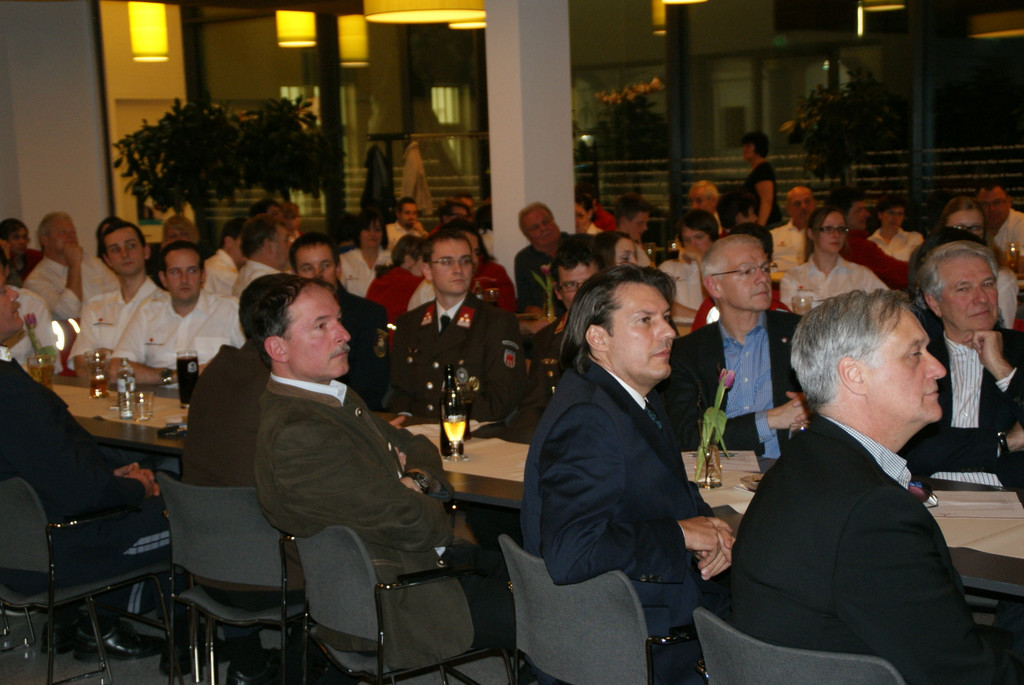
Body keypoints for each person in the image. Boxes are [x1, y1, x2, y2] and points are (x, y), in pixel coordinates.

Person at [730, 289, 1024, 685]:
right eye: (915, 353)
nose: (938, 368)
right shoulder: (873, 510)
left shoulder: (804, 460)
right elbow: (961, 672)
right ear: (854, 375)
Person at [250, 275, 515, 669]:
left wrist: (413, 480)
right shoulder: (300, 432)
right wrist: (415, 489)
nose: (344, 334)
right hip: (399, 598)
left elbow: (417, 444)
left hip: (417, 565)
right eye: (321, 325)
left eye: (338, 320)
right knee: (558, 612)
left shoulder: (327, 395)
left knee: (540, 575)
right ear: (278, 348)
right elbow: (421, 526)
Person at [521, 265, 732, 685]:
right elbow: (570, 552)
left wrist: (712, 529)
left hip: (645, 601)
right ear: (598, 338)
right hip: (627, 633)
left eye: (666, 318)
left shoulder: (631, 395)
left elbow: (666, 486)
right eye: (645, 321)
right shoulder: (589, 417)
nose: (668, 331)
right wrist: (681, 534)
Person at [0, 255, 167, 662]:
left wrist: (110, 473)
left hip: (16, 546)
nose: (14, 296)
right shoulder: (12, 393)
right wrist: (134, 487)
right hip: (58, 549)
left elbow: (44, 466)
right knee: (184, 514)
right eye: (2, 290)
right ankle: (104, 628)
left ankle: (77, 622)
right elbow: (80, 493)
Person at [181, 272, 301, 685]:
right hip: (272, 575)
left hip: (204, 565)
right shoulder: (286, 383)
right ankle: (310, 662)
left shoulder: (216, 369)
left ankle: (249, 663)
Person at [663, 234, 807, 463]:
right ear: (714, 286)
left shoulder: (801, 335)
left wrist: (815, 409)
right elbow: (688, 438)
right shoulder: (687, 353)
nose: (762, 278)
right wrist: (771, 419)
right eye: (747, 271)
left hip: (786, 472)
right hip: (717, 476)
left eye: (765, 268)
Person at [902, 241, 1024, 487]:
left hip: (1012, 497)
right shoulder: (915, 360)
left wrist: (1003, 370)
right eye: (963, 288)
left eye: (987, 284)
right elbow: (913, 450)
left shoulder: (1020, 350)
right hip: (931, 494)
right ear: (934, 303)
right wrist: (1005, 442)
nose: (981, 299)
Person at [389, 228, 527, 423]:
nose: (458, 269)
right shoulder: (409, 323)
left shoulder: (496, 323)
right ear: (427, 270)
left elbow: (500, 402)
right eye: (446, 262)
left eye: (465, 261)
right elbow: (399, 392)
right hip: (417, 429)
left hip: (472, 430)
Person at [500, 234, 602, 444]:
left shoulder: (627, 332)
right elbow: (533, 406)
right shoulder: (547, 339)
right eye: (571, 285)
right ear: (558, 291)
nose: (581, 293)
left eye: (588, 283)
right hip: (564, 440)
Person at [110, 241, 244, 385]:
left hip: (213, 397)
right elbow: (115, 370)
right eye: (175, 272)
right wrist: (178, 375)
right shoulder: (148, 313)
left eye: (192, 271)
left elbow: (254, 363)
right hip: (160, 397)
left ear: (203, 275)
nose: (184, 279)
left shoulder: (230, 310)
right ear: (163, 279)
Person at [290, 232, 390, 411]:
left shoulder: (369, 314)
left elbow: (373, 383)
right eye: (307, 268)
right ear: (294, 274)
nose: (317, 274)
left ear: (338, 268)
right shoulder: (287, 320)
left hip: (355, 412)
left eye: (325, 265)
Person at [69, 220, 159, 374]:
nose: (124, 254)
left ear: (146, 251)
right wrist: (132, 363)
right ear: (107, 260)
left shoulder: (167, 304)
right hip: (102, 389)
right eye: (115, 249)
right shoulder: (96, 307)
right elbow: (81, 367)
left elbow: (165, 366)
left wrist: (105, 356)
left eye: (131, 246)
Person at [780, 205, 888, 308]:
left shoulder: (861, 276)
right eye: (828, 229)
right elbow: (789, 317)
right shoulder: (793, 278)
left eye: (841, 229)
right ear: (811, 233)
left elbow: (889, 305)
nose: (836, 235)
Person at [24, 212, 118, 320]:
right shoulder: (36, 281)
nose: (70, 236)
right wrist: (74, 266)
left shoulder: (91, 262)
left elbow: (119, 293)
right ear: (45, 240)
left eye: (73, 232)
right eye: (62, 232)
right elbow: (69, 313)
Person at [828, 186, 909, 290]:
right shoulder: (858, 246)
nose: (867, 214)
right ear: (842, 216)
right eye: (859, 210)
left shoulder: (828, 243)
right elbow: (898, 274)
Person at [659, 209, 718, 322]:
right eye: (687, 240)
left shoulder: (722, 269)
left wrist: (700, 260)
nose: (692, 244)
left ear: (713, 238)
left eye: (699, 237)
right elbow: (664, 306)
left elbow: (713, 304)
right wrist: (701, 317)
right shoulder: (669, 267)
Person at [514, 202, 564, 315]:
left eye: (546, 222)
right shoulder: (524, 260)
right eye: (535, 227)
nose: (543, 228)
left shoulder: (579, 244)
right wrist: (534, 312)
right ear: (527, 236)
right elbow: (524, 302)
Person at [365, 233, 426, 324]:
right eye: (424, 261)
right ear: (408, 260)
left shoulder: (381, 278)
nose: (427, 268)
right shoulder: (415, 283)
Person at [459, 219, 516, 313]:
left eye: (476, 251)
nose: (474, 258)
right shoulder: (443, 278)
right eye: (467, 251)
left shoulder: (495, 272)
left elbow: (506, 312)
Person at [232, 214, 290, 297]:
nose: (290, 245)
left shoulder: (245, 273)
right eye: (286, 240)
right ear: (269, 246)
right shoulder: (273, 282)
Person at [339, 207, 390, 298]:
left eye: (377, 229)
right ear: (358, 233)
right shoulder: (344, 260)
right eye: (367, 229)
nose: (372, 234)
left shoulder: (392, 259)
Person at [770, 186, 815, 274]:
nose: (803, 207)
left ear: (814, 204)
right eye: (797, 204)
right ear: (788, 209)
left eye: (807, 201)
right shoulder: (773, 235)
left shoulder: (823, 235)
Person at [740, 131, 781, 227]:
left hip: (768, 223)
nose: (744, 149)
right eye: (744, 146)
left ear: (758, 148)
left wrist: (760, 227)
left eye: (748, 146)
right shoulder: (758, 169)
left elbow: (766, 200)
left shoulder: (763, 170)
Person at [869, 193, 922, 261]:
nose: (895, 218)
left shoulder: (913, 239)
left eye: (899, 214)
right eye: (891, 213)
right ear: (880, 215)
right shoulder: (869, 242)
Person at [203, 216, 247, 297]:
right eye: (246, 242)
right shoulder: (223, 272)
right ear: (228, 242)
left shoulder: (217, 263)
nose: (251, 247)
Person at [979, 183, 1024, 253]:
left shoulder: (1021, 222)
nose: (991, 209)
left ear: (1009, 202)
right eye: (985, 204)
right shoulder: (973, 224)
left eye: (997, 202)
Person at [614, 192, 654, 266]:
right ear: (623, 221)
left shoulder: (637, 248)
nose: (645, 228)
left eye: (646, 223)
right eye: (640, 223)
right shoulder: (612, 251)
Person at [0, 217, 42, 286]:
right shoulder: (2, 262)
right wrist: (7, 258)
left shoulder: (36, 257)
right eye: (16, 237)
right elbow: (16, 285)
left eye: (24, 237)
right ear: (4, 241)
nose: (22, 242)